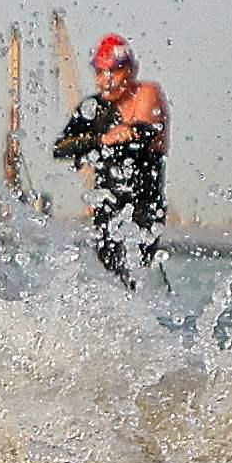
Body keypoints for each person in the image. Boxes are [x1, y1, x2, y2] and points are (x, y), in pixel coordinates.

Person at [49, 34, 168, 285]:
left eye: (114, 72)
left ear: (132, 69)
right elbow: (60, 148)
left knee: (137, 274)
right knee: (111, 276)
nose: (107, 81)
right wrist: (100, 141)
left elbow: (144, 134)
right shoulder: (93, 108)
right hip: (107, 209)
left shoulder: (147, 93)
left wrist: (119, 136)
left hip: (143, 207)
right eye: (101, 73)